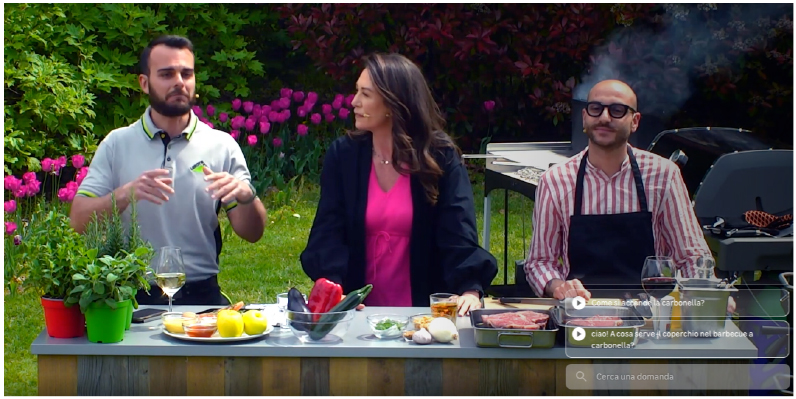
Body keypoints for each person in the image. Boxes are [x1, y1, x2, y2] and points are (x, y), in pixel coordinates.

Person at [70, 35, 266, 305]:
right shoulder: (117, 144)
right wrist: (125, 195)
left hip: (201, 295)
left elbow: (253, 233)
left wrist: (246, 196)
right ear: (144, 83)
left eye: (187, 73)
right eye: (166, 74)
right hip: (130, 295)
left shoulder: (221, 145)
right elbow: (78, 222)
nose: (179, 82)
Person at [300, 53, 497, 316]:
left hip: (423, 310)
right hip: (357, 310)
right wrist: (335, 289)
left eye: (365, 94)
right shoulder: (344, 155)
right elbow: (328, 230)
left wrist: (470, 289)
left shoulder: (439, 156)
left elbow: (457, 228)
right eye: (357, 91)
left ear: (393, 104)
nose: (354, 101)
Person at [525, 79, 724, 304]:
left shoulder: (664, 176)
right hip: (581, 314)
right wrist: (559, 287)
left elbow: (691, 256)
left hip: (648, 313)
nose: (604, 118)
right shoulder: (555, 180)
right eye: (596, 109)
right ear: (584, 117)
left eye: (617, 110)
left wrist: (706, 294)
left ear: (635, 121)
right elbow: (539, 262)